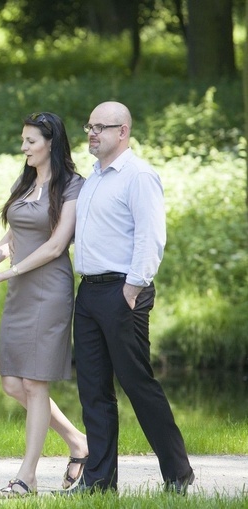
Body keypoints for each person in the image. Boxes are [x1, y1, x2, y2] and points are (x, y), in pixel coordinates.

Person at [0, 112, 88, 496]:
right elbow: (12, 237)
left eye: (30, 141)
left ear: (51, 142)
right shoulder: (27, 181)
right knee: (13, 383)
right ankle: (79, 443)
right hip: (19, 289)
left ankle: (27, 476)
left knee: (35, 381)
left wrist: (8, 273)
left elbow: (55, 245)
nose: (24, 148)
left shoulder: (72, 186)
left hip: (49, 289)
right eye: (23, 141)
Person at [71, 101, 194, 494]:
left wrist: (133, 287)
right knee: (93, 389)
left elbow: (151, 236)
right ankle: (99, 484)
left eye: (101, 127)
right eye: (89, 126)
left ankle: (178, 475)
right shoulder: (93, 176)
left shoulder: (138, 176)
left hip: (123, 292)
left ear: (122, 131)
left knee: (137, 384)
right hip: (89, 293)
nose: (92, 133)